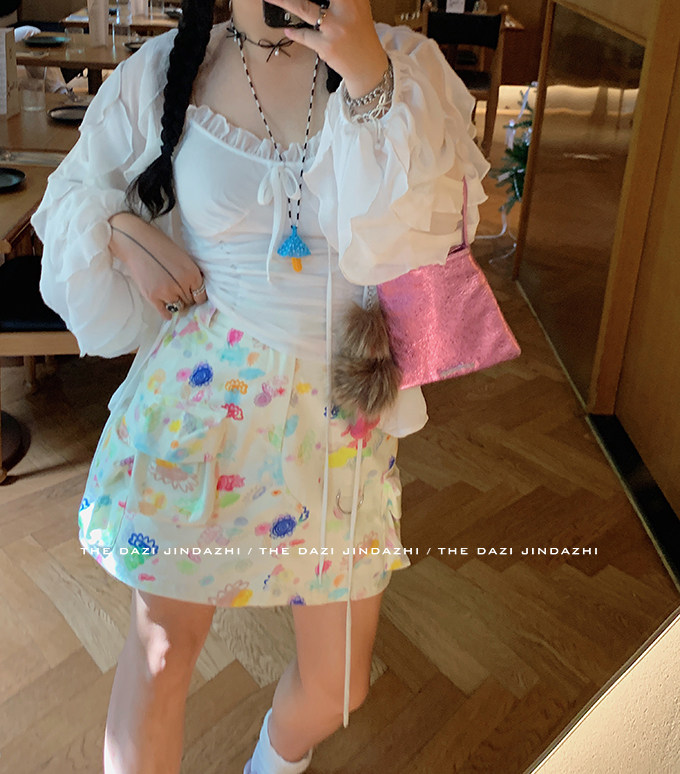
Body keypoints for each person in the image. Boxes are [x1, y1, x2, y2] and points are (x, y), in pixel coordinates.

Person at [31, 0, 490, 772]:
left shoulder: (405, 68)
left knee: (338, 689)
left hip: (340, 421)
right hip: (196, 406)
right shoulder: (169, 71)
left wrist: (369, 76)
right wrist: (120, 229)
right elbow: (70, 193)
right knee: (161, 651)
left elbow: (427, 241)